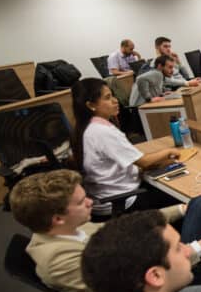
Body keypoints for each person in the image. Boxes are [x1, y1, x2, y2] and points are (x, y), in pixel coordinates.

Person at [9, 170, 201, 292]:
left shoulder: (70, 230)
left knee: (197, 205)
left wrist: (181, 209)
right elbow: (139, 283)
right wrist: (197, 249)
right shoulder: (58, 262)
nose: (90, 202)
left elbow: (125, 226)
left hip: (146, 265)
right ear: (58, 218)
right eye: (80, 202)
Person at [72, 78, 180, 217]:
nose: (115, 100)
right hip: (123, 200)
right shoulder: (102, 131)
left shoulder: (84, 127)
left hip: (103, 198)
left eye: (112, 95)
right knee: (179, 196)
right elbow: (144, 161)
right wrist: (169, 151)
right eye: (108, 97)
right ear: (91, 105)